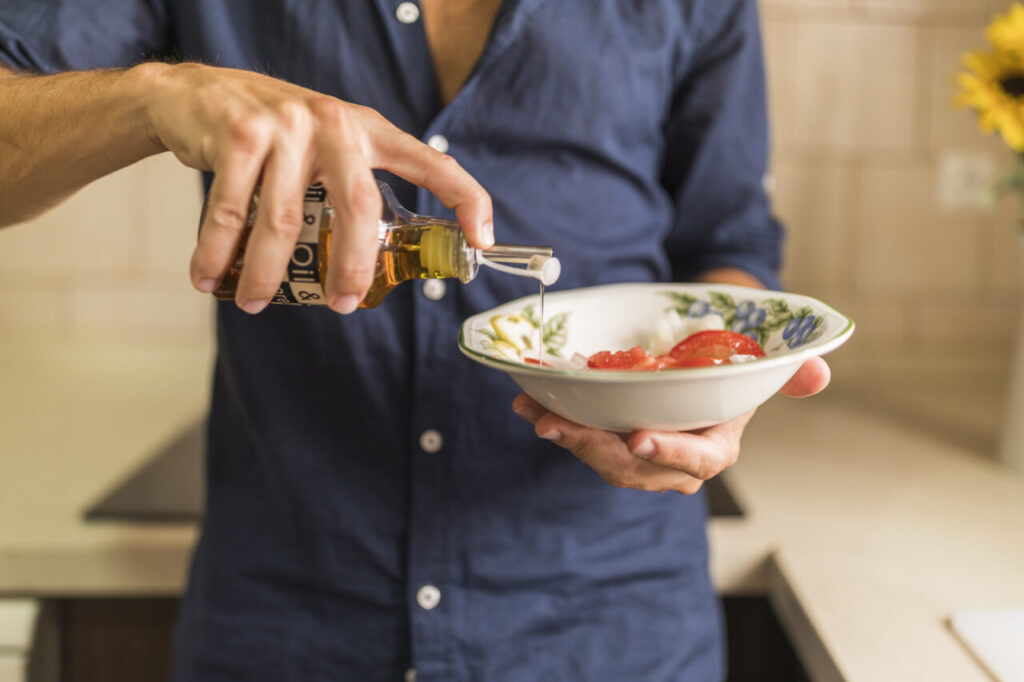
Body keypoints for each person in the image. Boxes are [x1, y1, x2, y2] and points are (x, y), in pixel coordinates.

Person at [0, 1, 830, 680]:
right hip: (289, 621)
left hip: (603, 627)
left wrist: (713, 385)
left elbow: (729, 240)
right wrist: (154, 95)